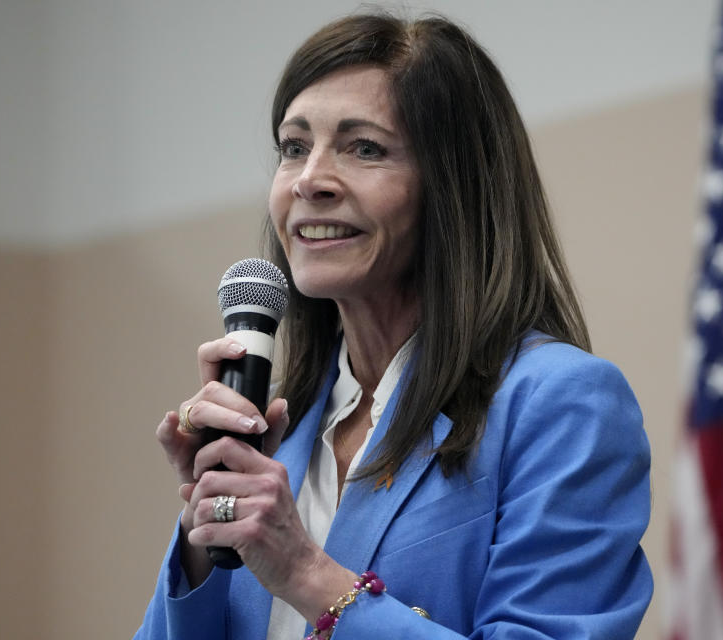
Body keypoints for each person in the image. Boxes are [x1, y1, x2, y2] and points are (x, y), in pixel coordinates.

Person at [136, 11, 652, 640]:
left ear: (454, 187)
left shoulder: (562, 404)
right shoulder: (277, 430)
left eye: (364, 148)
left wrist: (304, 571)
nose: (308, 181)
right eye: (294, 147)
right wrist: (203, 536)